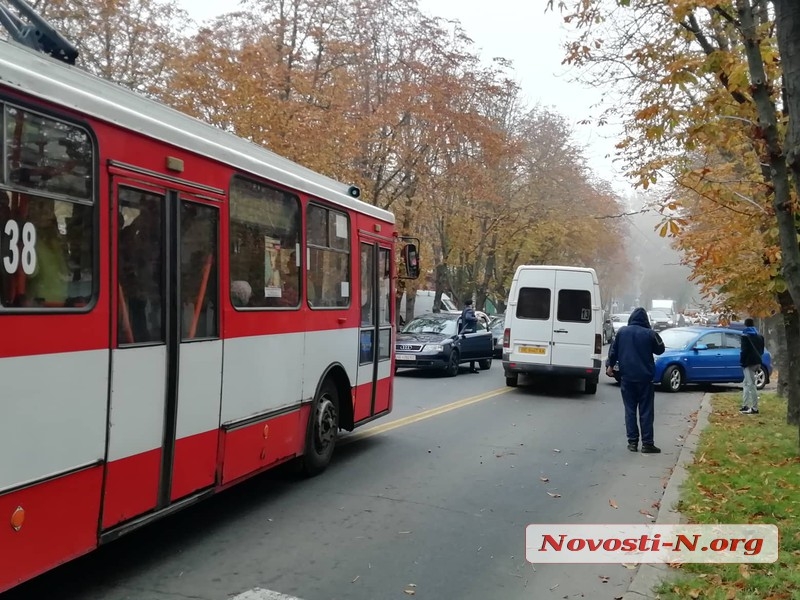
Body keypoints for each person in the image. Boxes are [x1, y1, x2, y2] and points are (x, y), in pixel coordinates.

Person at [606, 307, 666, 453]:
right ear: (646, 320)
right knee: (646, 411)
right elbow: (660, 349)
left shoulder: (622, 332)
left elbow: (613, 351)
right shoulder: (650, 334)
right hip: (645, 378)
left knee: (630, 410)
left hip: (627, 377)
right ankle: (647, 443)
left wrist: (610, 366)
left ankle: (632, 442)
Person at [739, 318, 765, 415]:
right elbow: (761, 350)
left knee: (751, 385)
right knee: (746, 383)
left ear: (745, 325)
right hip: (757, 362)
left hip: (748, 363)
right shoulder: (759, 336)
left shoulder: (745, 336)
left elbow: (743, 351)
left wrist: (742, 362)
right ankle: (745, 405)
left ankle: (754, 408)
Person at [460, 299, 479, 373]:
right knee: (473, 350)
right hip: (471, 331)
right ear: (471, 304)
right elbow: (468, 317)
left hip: (465, 330)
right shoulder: (470, 310)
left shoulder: (464, 310)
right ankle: (472, 367)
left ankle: (471, 367)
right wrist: (475, 318)